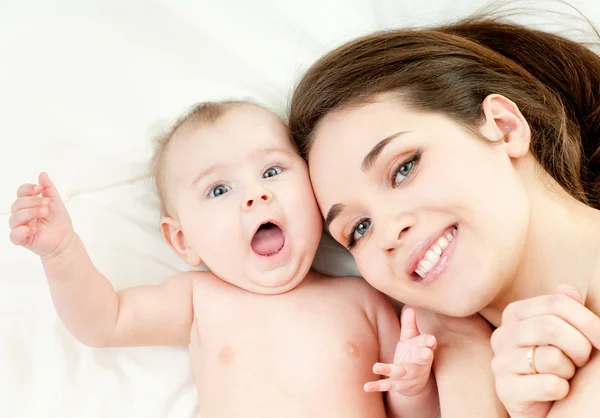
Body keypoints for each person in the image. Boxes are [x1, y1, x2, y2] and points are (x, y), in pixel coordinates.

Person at [7, 101, 504, 417]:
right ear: (183, 242)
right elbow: (104, 322)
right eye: (219, 189)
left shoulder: (363, 295)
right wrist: (62, 251)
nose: (255, 197)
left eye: (272, 170)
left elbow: (407, 410)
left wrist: (414, 385)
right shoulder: (199, 299)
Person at [289, 15, 600, 418]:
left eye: (404, 168)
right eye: (358, 229)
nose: (387, 233)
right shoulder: (479, 373)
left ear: (504, 129)